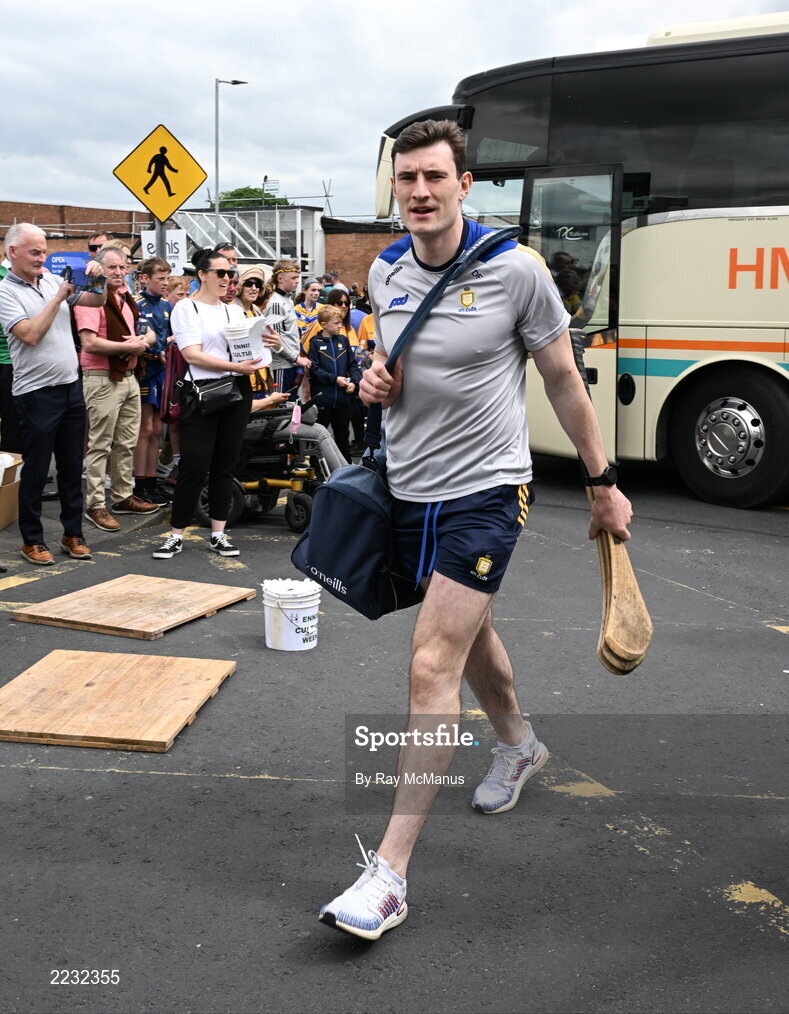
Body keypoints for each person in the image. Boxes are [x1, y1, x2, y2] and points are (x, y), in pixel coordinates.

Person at [318, 119, 633, 940]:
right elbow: (385, 367)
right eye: (406, 179)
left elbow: (562, 378)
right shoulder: (384, 269)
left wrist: (602, 484)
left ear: (464, 186)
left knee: (430, 662)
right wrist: (373, 381)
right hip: (409, 493)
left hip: (488, 492)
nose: (419, 191)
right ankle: (520, 744)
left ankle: (387, 874)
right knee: (469, 630)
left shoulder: (516, 272)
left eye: (434, 177)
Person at [151, 248, 271, 561]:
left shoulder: (233, 310)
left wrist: (270, 343)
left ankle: (218, 533)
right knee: (193, 465)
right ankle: (176, 534)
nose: (227, 280)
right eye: (221, 273)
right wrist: (236, 367)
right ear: (202, 275)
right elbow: (192, 354)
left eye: (230, 274)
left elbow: (245, 350)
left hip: (236, 392)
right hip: (202, 394)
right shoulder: (187, 308)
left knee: (225, 466)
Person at [0, 224, 109, 564]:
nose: (42, 258)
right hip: (35, 392)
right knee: (34, 469)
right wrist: (58, 297)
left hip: (69, 385)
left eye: (44, 251)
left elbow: (96, 299)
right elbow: (30, 334)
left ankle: (72, 534)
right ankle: (32, 540)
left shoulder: (50, 280)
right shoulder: (5, 291)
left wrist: (98, 278)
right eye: (35, 252)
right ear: (13, 252)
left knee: (71, 466)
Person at [74, 247, 160, 532]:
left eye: (122, 267)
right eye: (112, 267)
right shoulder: (90, 298)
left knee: (126, 442)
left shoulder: (125, 297)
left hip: (128, 376)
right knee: (100, 444)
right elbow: (90, 343)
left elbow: (147, 333)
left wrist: (142, 341)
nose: (119, 272)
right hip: (102, 377)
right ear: (99, 269)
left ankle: (123, 497)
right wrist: (130, 346)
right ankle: (95, 505)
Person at [134, 257, 172, 505]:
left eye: (168, 278)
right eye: (161, 279)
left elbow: (167, 335)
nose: (165, 283)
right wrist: (157, 350)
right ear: (145, 278)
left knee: (157, 429)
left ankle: (152, 480)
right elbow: (140, 336)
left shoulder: (166, 305)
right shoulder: (137, 303)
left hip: (162, 370)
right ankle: (140, 484)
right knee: (145, 429)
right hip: (146, 370)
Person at [306, 305, 361, 463]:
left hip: (343, 400)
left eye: (341, 322)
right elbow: (314, 369)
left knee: (343, 437)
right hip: (324, 400)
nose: (340, 326)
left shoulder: (343, 340)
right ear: (324, 325)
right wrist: (334, 379)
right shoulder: (315, 343)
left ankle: (347, 470)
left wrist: (355, 383)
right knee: (319, 438)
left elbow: (353, 365)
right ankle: (316, 471)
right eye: (336, 323)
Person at [262, 258, 309, 395]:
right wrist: (296, 358)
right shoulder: (276, 303)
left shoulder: (287, 300)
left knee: (291, 407)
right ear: (280, 278)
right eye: (294, 277)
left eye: (298, 277)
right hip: (282, 366)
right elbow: (274, 341)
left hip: (291, 364)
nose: (297, 281)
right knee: (282, 407)